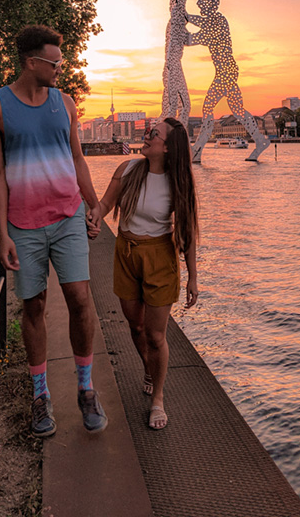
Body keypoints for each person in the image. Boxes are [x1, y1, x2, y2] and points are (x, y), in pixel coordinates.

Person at [0, 25, 107, 438]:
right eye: (54, 62)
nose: (59, 68)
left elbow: (77, 158)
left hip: (67, 215)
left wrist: (94, 205)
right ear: (31, 62)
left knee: (80, 299)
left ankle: (86, 389)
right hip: (23, 223)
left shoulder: (65, 103)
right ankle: (40, 395)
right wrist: (3, 233)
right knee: (33, 306)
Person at [92, 118, 198, 430]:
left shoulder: (178, 182)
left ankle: (158, 399)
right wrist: (94, 216)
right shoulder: (128, 169)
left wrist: (193, 276)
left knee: (155, 334)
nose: (146, 136)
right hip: (126, 253)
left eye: (153, 134)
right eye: (148, 132)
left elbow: (187, 232)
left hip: (159, 258)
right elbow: (105, 204)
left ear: (167, 147)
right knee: (135, 326)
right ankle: (149, 369)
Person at [185, 0, 270, 162]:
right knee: (238, 111)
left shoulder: (218, 22)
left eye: (201, 0)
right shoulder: (214, 20)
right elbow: (200, 21)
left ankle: (198, 149)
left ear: (209, 3)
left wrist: (180, 29)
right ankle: (261, 140)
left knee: (208, 108)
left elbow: (194, 39)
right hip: (228, 71)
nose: (198, 3)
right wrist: (185, 16)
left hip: (226, 71)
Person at [160, 0, 191, 127]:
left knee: (176, 106)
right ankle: (174, 138)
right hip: (173, 67)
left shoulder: (175, 23)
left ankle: (172, 138)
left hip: (171, 67)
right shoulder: (176, 21)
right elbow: (176, 43)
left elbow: (187, 40)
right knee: (181, 106)